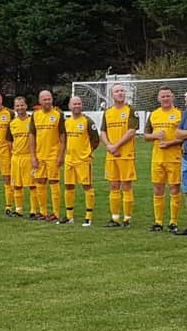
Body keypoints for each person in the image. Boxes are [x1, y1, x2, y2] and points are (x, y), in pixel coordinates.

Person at [100, 84, 139, 227]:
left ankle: (127, 219)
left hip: (126, 155)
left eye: (122, 90)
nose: (120, 93)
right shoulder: (108, 112)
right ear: (112, 95)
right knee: (114, 185)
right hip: (112, 155)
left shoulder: (130, 110)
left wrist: (116, 146)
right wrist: (109, 146)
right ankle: (115, 218)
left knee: (127, 186)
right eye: (117, 91)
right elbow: (102, 132)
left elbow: (131, 131)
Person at [144, 87, 182, 232]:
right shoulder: (153, 115)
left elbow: (184, 136)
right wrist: (155, 136)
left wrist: (170, 143)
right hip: (157, 158)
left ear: (172, 97)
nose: (165, 98)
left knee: (174, 188)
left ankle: (173, 222)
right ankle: (158, 222)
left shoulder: (180, 114)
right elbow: (146, 135)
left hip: (174, 157)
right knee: (158, 189)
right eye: (163, 96)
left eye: (168, 96)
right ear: (158, 99)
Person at [57, 97, 99, 226]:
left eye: (79, 103)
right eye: (74, 104)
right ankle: (69, 217)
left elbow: (95, 139)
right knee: (69, 186)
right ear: (69, 106)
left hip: (83, 160)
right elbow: (64, 140)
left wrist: (87, 152)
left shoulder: (87, 121)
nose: (77, 106)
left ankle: (88, 217)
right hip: (70, 159)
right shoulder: (67, 122)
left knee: (87, 186)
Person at [29, 90, 66, 222]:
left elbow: (63, 136)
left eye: (49, 98)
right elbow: (32, 136)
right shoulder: (35, 115)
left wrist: (61, 155)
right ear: (40, 101)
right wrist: (33, 156)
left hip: (53, 156)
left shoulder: (58, 115)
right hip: (39, 155)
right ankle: (43, 212)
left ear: (52, 100)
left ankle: (55, 212)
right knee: (40, 182)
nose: (47, 101)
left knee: (54, 182)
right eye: (44, 99)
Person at [9, 96, 38, 218]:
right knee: (17, 185)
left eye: (22, 105)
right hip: (16, 157)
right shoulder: (12, 123)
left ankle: (33, 210)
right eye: (17, 106)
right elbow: (10, 141)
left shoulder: (32, 121)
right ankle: (19, 210)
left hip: (28, 156)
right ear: (14, 107)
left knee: (32, 185)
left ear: (26, 106)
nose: (20, 108)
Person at [174, 92, 187, 236]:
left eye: (186, 99)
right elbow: (178, 133)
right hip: (185, 157)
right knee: (186, 192)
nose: (185, 102)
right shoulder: (186, 113)